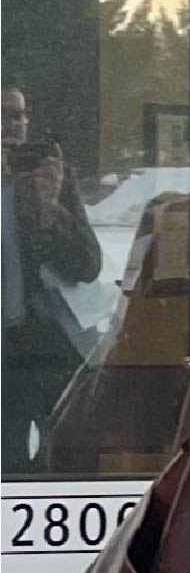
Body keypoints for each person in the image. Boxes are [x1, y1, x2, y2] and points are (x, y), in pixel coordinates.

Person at [1, 83, 104, 470]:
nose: (10, 126)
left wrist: (50, 209)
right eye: (1, 115)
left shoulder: (51, 178)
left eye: (18, 115)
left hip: (46, 343)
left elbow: (88, 265)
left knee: (65, 453)